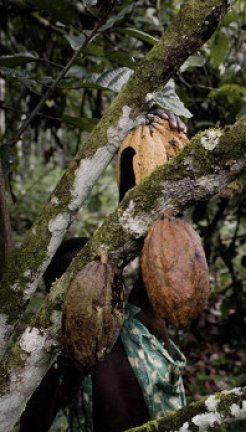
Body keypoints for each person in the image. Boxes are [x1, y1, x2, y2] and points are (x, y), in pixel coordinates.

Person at [20, 110, 189, 432]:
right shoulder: (56, 360)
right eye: (76, 286)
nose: (93, 294)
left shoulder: (140, 322)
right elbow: (30, 424)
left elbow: (152, 233)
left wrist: (142, 145)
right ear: (56, 298)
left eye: (100, 280)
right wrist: (63, 373)